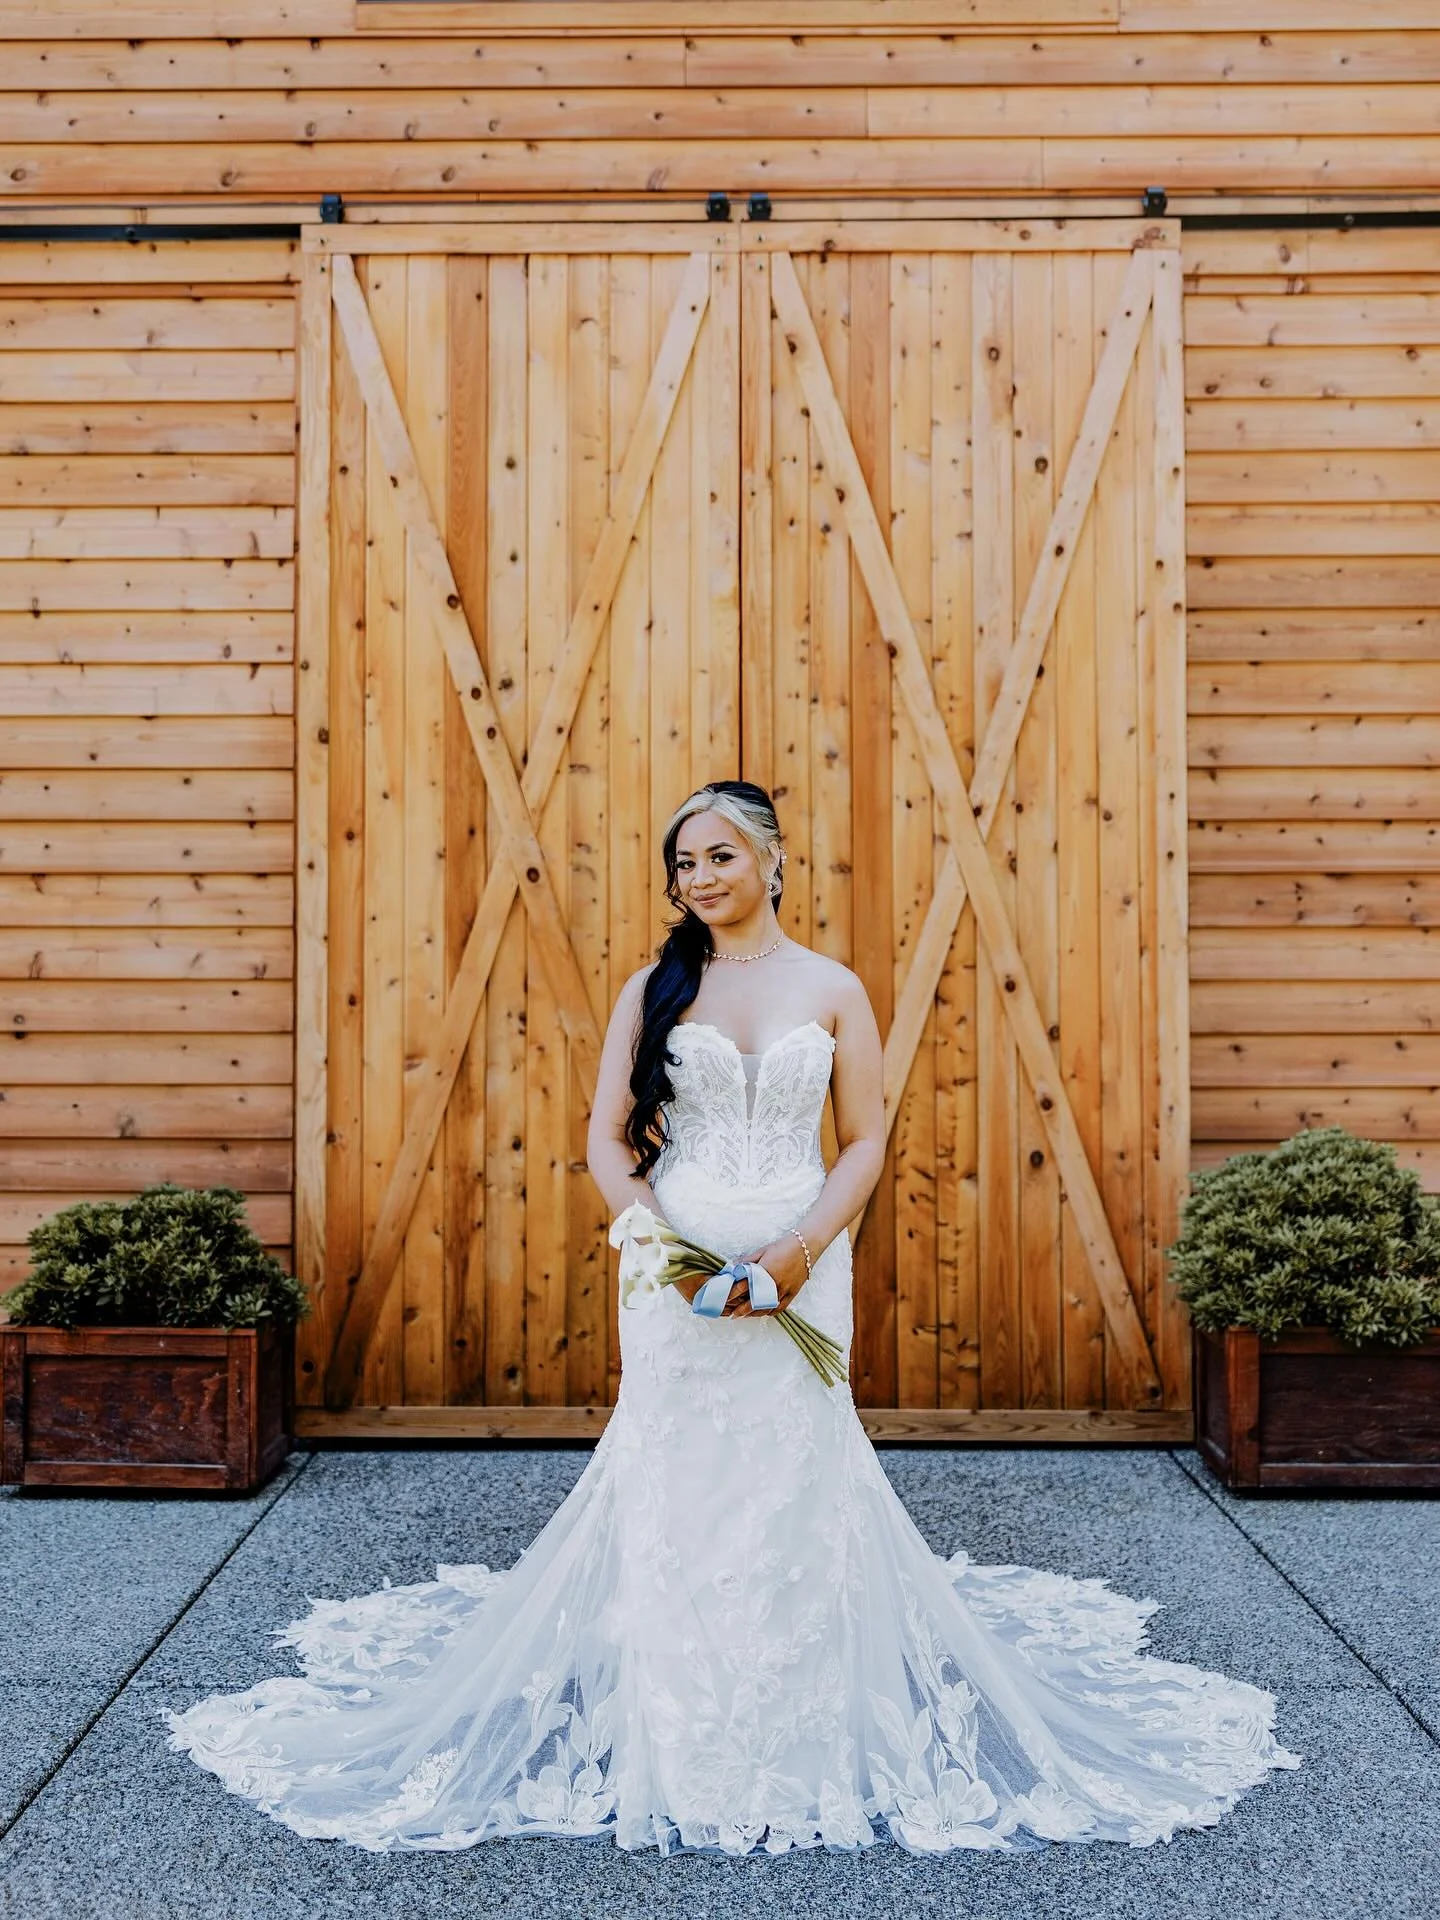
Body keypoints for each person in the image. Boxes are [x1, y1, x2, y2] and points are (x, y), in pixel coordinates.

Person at [164, 778, 1299, 1855]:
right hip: (676, 1263)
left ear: (773, 860)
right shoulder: (654, 991)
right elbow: (606, 1139)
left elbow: (862, 1141)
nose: (700, 877)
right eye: (684, 864)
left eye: (720, 856)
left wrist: (800, 1255)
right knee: (679, 1471)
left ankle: (805, 1710)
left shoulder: (833, 987)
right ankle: (679, 1720)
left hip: (806, 1255)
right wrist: (655, 1238)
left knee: (799, 1465)